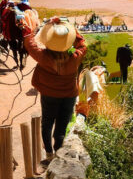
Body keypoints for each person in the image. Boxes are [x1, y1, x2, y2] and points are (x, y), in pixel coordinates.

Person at [20, 17, 87, 166]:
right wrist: (69, 27)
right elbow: (82, 44)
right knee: (61, 125)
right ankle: (58, 152)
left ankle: (49, 153)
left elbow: (29, 44)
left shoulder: (44, 57)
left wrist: (27, 29)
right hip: (69, 96)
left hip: (49, 95)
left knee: (47, 123)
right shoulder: (75, 57)